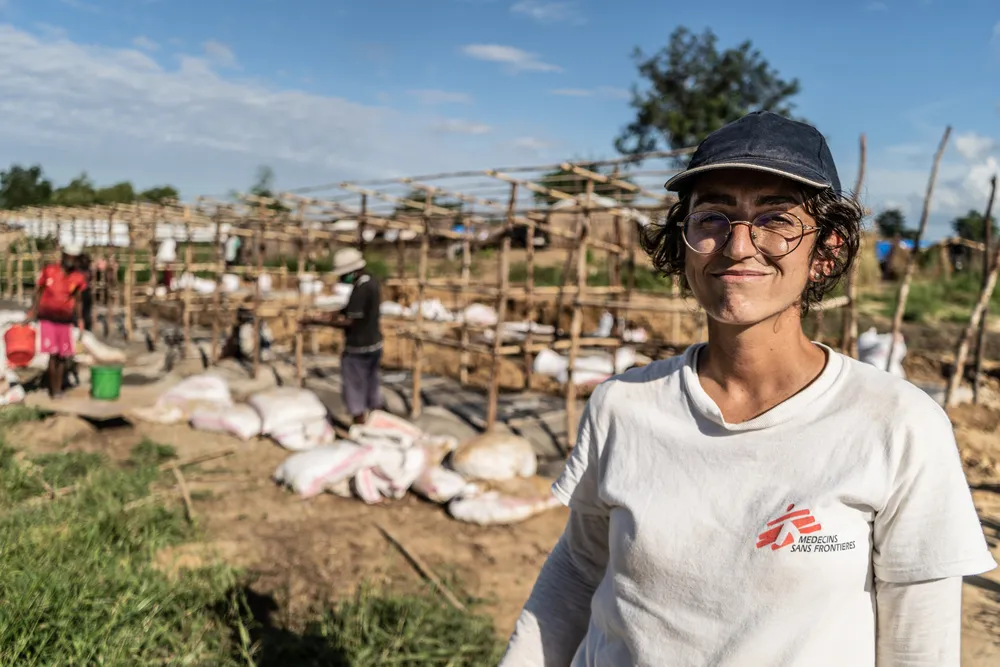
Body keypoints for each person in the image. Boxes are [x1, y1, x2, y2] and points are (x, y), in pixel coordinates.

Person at [500, 112, 996, 667]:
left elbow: (919, 647)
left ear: (826, 251)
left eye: (776, 219)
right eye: (711, 217)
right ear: (683, 242)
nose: (738, 245)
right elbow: (577, 569)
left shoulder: (898, 424)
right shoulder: (622, 405)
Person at [302, 248, 382, 424]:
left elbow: (350, 321)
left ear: (352, 271)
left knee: (355, 387)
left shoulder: (361, 288)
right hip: (374, 343)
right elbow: (350, 310)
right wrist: (331, 314)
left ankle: (359, 421)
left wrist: (320, 322)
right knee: (371, 384)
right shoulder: (371, 281)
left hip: (358, 346)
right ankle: (376, 420)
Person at [27, 242, 87, 398]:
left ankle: (58, 389)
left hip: (65, 320)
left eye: (74, 259)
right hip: (47, 318)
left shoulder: (78, 278)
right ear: (64, 256)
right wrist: (33, 311)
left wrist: (80, 319)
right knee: (53, 354)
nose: (71, 261)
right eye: (69, 257)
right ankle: (53, 390)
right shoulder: (49, 271)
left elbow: (78, 300)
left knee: (62, 356)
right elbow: (39, 291)